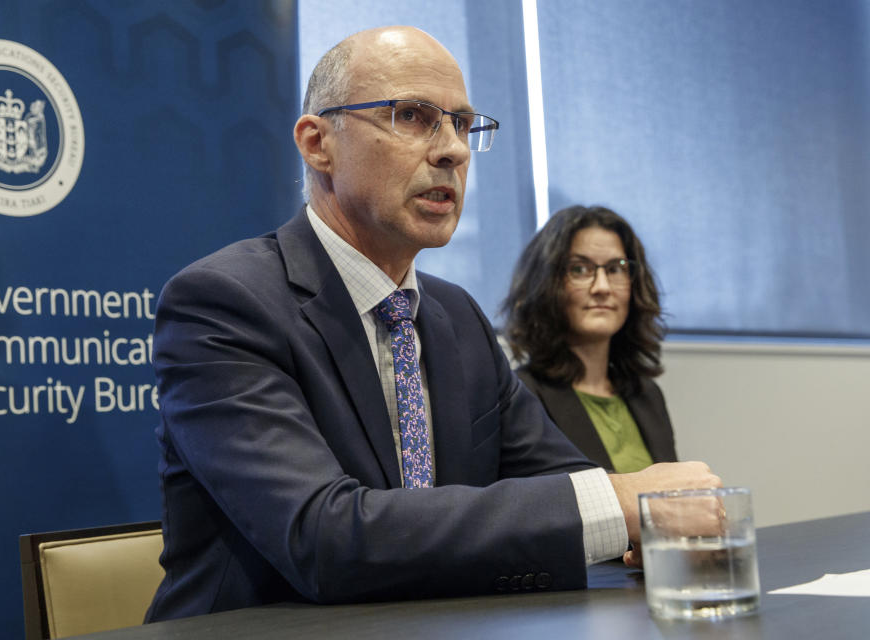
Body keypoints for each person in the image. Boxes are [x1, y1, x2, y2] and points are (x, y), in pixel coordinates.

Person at [145, 26, 720, 623]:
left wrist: (644, 525)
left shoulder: (458, 317)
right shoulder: (222, 302)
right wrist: (623, 500)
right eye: (414, 116)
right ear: (318, 143)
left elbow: (564, 482)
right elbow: (324, 538)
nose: (454, 150)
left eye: (463, 124)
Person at [503, 205, 677, 473]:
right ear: (546, 284)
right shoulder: (522, 396)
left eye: (615, 268)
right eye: (580, 269)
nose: (602, 288)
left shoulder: (647, 394)